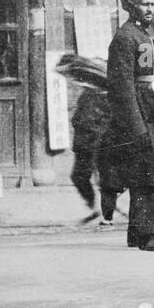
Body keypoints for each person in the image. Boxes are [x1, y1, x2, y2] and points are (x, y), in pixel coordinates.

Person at [103, 0, 154, 251]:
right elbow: (121, 88)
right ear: (132, 5)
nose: (150, 9)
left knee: (149, 174)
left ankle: (136, 234)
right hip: (139, 116)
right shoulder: (124, 38)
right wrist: (136, 125)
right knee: (144, 175)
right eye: (145, 4)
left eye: (153, 4)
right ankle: (148, 235)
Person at [56, 53, 119, 229]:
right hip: (86, 138)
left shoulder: (96, 91)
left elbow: (94, 118)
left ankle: (102, 213)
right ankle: (95, 209)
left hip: (93, 138)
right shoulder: (89, 88)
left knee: (86, 176)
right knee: (80, 176)